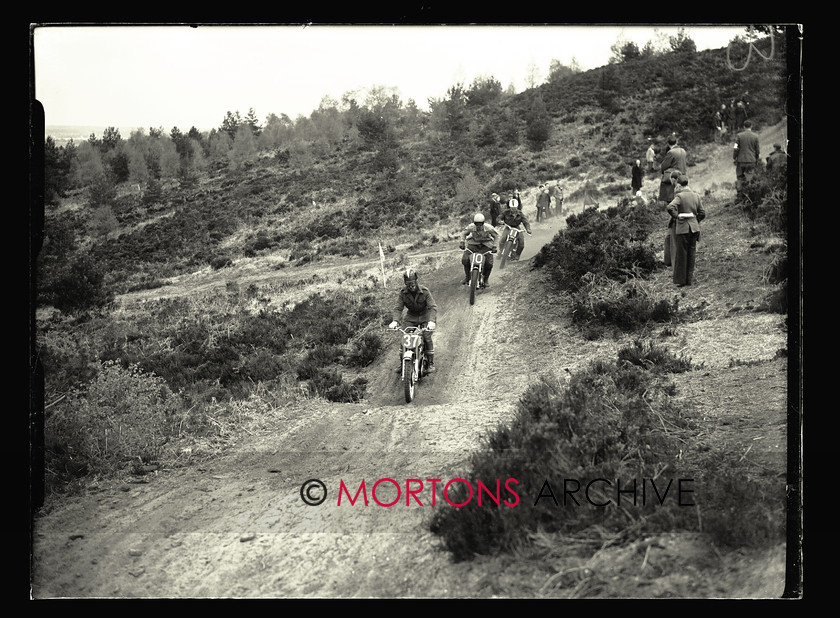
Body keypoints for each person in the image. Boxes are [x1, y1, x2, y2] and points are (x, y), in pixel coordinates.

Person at [389, 267, 438, 373]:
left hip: (426, 315)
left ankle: (430, 363)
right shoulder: (403, 293)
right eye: (408, 284)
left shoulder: (425, 291)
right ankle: (403, 364)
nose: (411, 286)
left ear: (416, 281)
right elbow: (398, 308)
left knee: (426, 336)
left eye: (412, 283)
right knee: (405, 337)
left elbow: (432, 307)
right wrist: (395, 321)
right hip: (411, 316)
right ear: (405, 283)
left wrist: (431, 321)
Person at [666, 175, 706, 287]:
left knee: (682, 254)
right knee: (691, 253)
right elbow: (702, 213)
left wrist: (677, 216)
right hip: (694, 228)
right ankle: (689, 280)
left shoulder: (679, 196)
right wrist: (695, 220)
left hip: (683, 228)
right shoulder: (696, 195)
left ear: (678, 184)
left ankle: (681, 281)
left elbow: (670, 207)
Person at [459, 213, 499, 288]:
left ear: (483, 223)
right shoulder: (471, 227)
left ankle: (486, 280)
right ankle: (467, 277)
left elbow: (496, 236)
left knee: (489, 263)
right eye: (477, 224)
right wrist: (462, 242)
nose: (479, 226)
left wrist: (494, 246)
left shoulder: (489, 228)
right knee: (465, 259)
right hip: (473, 244)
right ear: (474, 223)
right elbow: (463, 233)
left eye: (480, 224)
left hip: (486, 245)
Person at [733, 120, 761, 203]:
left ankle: (740, 196)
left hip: (741, 160)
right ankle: (749, 196)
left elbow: (735, 147)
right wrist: (756, 158)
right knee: (749, 177)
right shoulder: (755, 136)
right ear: (751, 126)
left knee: (740, 177)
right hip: (751, 160)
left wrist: (735, 157)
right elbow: (757, 150)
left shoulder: (739, 136)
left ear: (743, 127)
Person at [658, 135, 687, 204]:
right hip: (683, 175)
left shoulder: (671, 152)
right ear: (676, 142)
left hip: (674, 176)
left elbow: (664, 166)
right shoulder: (683, 151)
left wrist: (663, 172)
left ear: (668, 143)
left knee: (671, 197)